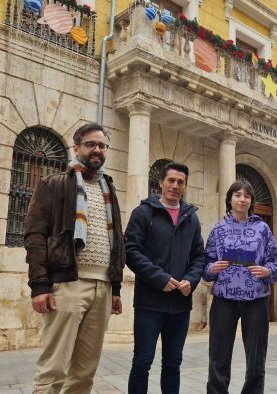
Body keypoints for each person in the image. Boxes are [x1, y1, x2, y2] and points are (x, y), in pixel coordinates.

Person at [25, 122, 125, 393]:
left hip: (102, 288)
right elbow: (35, 237)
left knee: (84, 372)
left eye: (102, 146)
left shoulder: (109, 189)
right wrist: (40, 286)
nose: (97, 150)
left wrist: (115, 288)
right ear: (77, 147)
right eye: (91, 144)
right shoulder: (54, 184)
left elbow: (116, 240)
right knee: (53, 369)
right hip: (67, 285)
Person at [125, 162, 205, 394]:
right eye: (171, 180)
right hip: (149, 303)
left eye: (180, 182)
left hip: (180, 305)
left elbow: (199, 255)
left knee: (173, 364)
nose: (175, 186)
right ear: (160, 182)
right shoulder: (143, 213)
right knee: (142, 362)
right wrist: (159, 278)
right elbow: (131, 251)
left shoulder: (191, 218)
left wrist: (191, 279)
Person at [203, 180, 277, 394]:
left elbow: (275, 262)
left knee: (256, 359)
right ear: (229, 199)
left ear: (251, 201)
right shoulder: (218, 229)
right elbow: (204, 264)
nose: (242, 199)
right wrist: (212, 268)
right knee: (218, 357)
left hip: (256, 300)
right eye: (237, 195)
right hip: (223, 300)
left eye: (247, 196)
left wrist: (267, 271)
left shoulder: (262, 229)